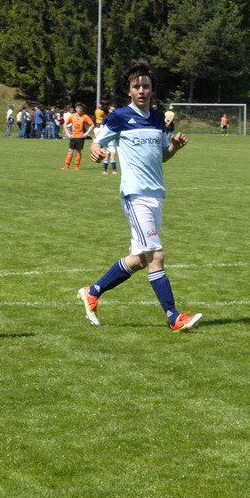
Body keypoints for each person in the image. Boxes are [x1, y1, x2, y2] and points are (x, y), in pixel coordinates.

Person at [77, 58, 202, 331]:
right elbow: (98, 142)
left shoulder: (159, 119)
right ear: (130, 90)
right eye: (137, 87)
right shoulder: (119, 116)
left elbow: (162, 156)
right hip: (135, 195)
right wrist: (95, 150)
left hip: (156, 195)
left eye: (145, 86)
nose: (142, 90)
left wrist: (175, 147)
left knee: (140, 259)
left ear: (151, 89)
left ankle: (93, 292)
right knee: (156, 256)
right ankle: (174, 317)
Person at [61, 102, 93, 170]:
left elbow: (92, 125)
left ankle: (77, 166)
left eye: (80, 108)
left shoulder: (85, 116)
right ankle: (67, 165)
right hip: (73, 136)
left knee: (78, 151)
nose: (79, 110)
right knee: (70, 150)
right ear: (75, 109)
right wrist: (67, 133)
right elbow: (65, 124)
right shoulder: (72, 116)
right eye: (78, 108)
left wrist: (86, 133)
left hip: (80, 137)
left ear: (82, 109)